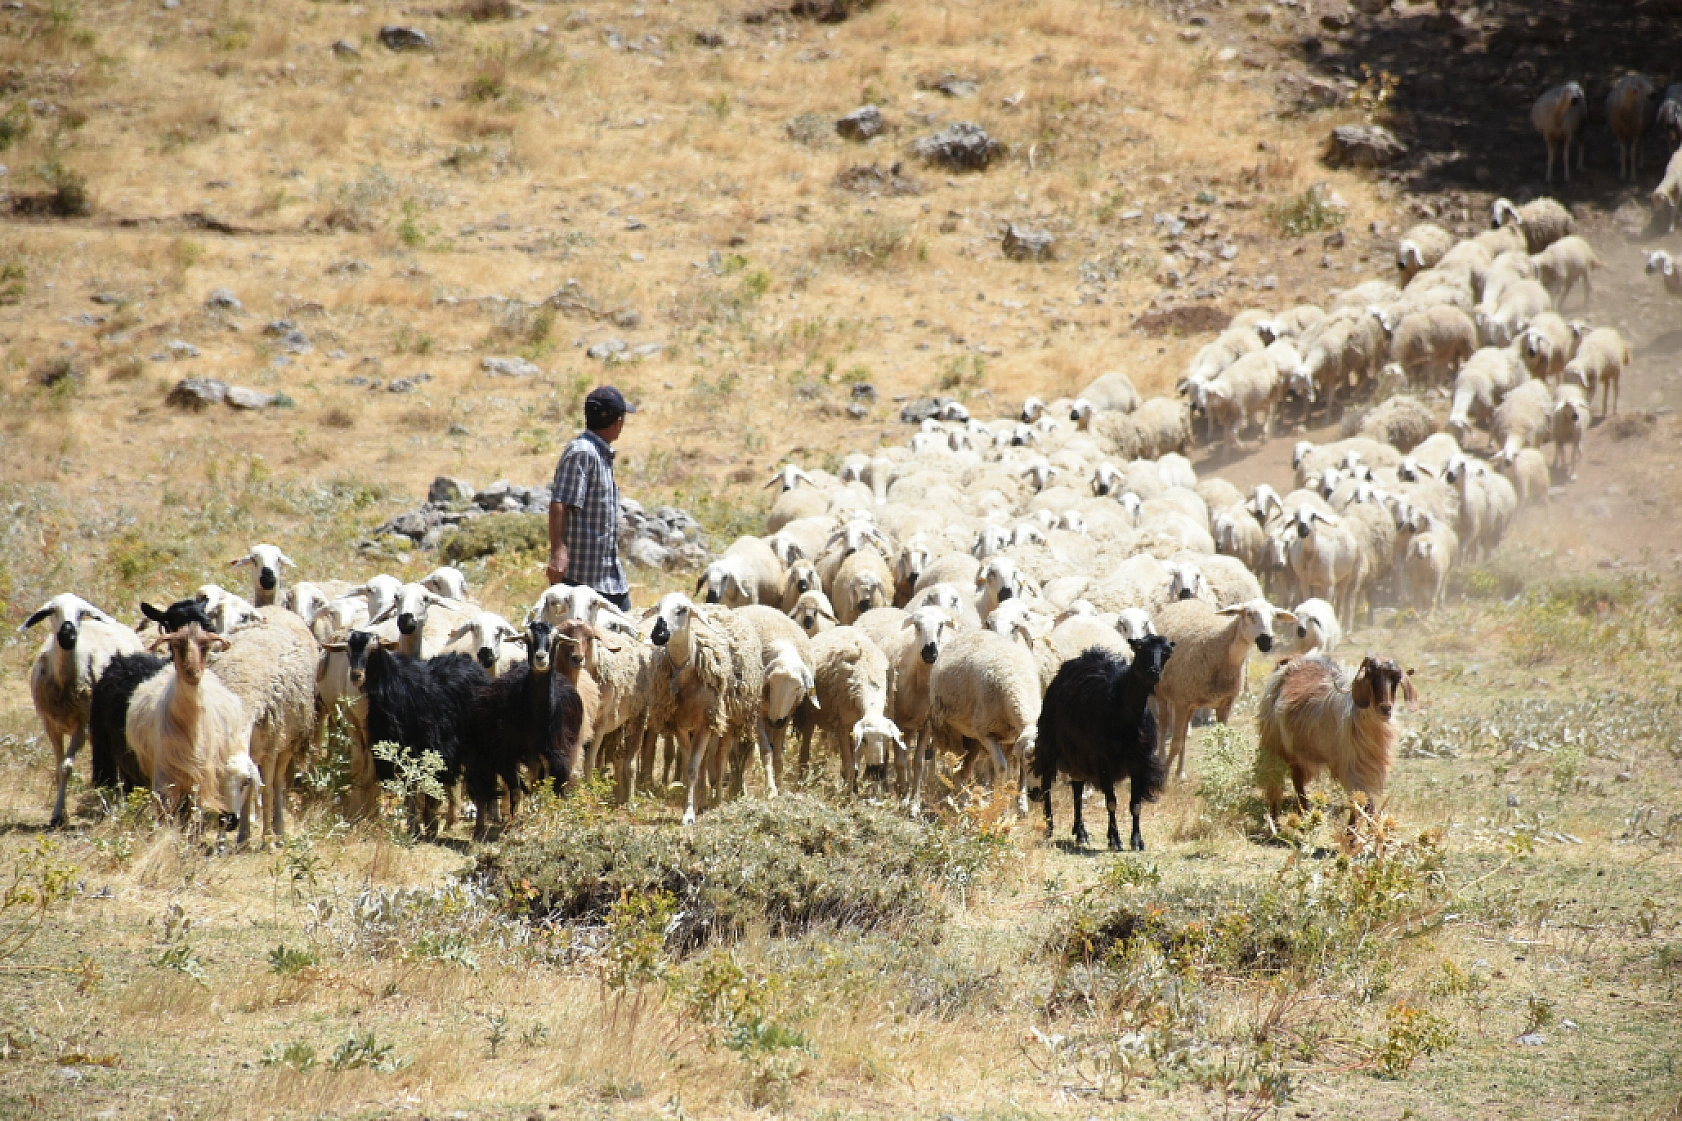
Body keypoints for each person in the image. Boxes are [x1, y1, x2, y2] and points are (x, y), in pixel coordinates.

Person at [546, 386, 637, 611]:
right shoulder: (583, 453)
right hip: (580, 578)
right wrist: (558, 552)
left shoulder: (598, 453)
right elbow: (560, 503)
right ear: (617, 422)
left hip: (605, 575)